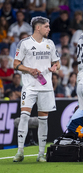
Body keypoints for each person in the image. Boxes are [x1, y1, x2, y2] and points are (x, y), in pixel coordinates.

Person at [13, 16, 60, 162]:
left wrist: (54, 67)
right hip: (30, 86)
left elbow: (57, 63)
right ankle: (20, 151)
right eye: (47, 26)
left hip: (45, 86)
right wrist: (29, 70)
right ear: (38, 28)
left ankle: (41, 154)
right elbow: (15, 64)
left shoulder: (50, 44)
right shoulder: (25, 43)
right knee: (25, 116)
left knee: (43, 120)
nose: (49, 29)